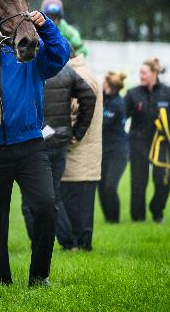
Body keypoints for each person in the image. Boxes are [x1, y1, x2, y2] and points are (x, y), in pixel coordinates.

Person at [0, 11, 69, 287]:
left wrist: (46, 25)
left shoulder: (32, 52)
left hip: (31, 146)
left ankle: (39, 276)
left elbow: (61, 54)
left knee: (45, 208)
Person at [20, 48, 97, 248]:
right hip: (60, 142)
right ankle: (68, 242)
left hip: (34, 142)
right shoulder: (67, 71)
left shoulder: (29, 68)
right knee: (52, 196)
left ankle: (40, 243)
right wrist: (77, 131)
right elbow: (89, 97)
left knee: (29, 201)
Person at [125, 57, 170, 223]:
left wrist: (169, 120)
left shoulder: (169, 93)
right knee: (138, 183)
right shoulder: (132, 93)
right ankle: (138, 218)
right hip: (138, 143)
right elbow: (122, 115)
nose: (141, 76)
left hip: (162, 144)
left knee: (163, 182)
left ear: (154, 73)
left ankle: (157, 211)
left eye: (144, 73)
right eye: (140, 73)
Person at [58, 53, 102, 251]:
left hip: (79, 153)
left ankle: (80, 247)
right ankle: (78, 246)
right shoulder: (82, 72)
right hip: (82, 155)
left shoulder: (78, 75)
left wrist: (66, 132)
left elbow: (80, 111)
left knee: (78, 209)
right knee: (78, 208)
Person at [99, 71, 128, 223]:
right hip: (104, 150)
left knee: (110, 186)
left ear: (109, 85)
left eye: (103, 82)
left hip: (118, 151)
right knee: (101, 187)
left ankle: (114, 220)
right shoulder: (104, 99)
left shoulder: (117, 104)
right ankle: (108, 220)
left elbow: (103, 124)